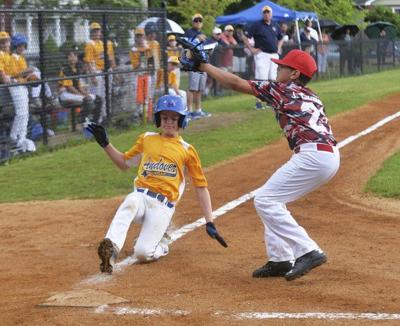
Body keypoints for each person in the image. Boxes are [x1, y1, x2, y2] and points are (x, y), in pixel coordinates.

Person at [180, 41, 340, 281]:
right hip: (326, 155)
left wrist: (204, 66)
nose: (278, 70)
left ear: (294, 74)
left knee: (265, 200)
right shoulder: (312, 96)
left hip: (313, 155)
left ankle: (308, 250)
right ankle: (280, 259)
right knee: (272, 197)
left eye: (282, 67)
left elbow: (235, 83)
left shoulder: (282, 89)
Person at [85, 95, 226, 274]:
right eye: (164, 117)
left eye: (174, 118)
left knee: (143, 253)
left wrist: (210, 222)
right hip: (142, 197)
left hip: (163, 206)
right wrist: (105, 144)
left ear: (182, 121)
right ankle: (110, 250)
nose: (168, 122)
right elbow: (123, 163)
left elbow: (200, 187)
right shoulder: (147, 139)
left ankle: (162, 243)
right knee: (130, 202)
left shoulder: (187, 150)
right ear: (158, 119)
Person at [241, 5, 283, 110]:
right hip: (262, 54)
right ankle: (258, 102)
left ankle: (270, 100)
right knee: (261, 78)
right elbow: (244, 37)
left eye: (268, 12)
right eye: (265, 12)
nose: (266, 14)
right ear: (262, 14)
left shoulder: (275, 25)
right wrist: (251, 49)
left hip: (273, 54)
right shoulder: (257, 25)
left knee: (272, 78)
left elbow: (281, 38)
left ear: (271, 14)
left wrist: (278, 47)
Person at [0, 32, 36, 152]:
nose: (21, 47)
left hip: (22, 85)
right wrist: (26, 72)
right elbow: (12, 75)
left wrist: (29, 74)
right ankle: (15, 137)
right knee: (21, 113)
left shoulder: (17, 57)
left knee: (24, 114)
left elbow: (22, 75)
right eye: (19, 45)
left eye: (23, 45)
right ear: (15, 46)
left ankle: (21, 138)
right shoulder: (11, 57)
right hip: (15, 85)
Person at [58, 46, 102, 123]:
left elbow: (78, 85)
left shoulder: (76, 68)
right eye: (71, 56)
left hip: (75, 93)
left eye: (75, 56)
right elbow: (69, 88)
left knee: (98, 99)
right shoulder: (65, 69)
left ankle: (95, 122)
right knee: (87, 100)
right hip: (66, 94)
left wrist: (85, 93)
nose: (73, 57)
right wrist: (83, 95)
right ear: (67, 58)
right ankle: (81, 117)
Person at [84, 22, 116, 122]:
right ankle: (96, 119)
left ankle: (105, 115)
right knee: (97, 96)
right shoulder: (90, 44)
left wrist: (113, 70)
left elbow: (111, 59)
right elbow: (88, 62)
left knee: (107, 94)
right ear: (91, 32)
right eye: (94, 31)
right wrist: (93, 76)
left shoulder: (103, 43)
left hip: (106, 72)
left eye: (98, 30)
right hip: (96, 72)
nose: (96, 32)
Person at [183, 13, 211, 119]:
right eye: (196, 20)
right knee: (192, 88)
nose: (198, 22)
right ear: (192, 22)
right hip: (193, 64)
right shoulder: (189, 32)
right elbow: (186, 44)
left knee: (199, 89)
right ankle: (189, 111)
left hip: (202, 63)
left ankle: (198, 110)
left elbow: (205, 48)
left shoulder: (203, 34)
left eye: (200, 20)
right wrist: (196, 37)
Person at [130, 27, 152, 118]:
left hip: (147, 74)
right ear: (135, 37)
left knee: (147, 94)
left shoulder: (148, 48)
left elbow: (150, 62)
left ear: (144, 36)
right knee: (137, 95)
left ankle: (146, 115)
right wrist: (141, 58)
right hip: (137, 74)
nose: (139, 38)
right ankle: (137, 114)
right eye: (138, 36)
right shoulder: (133, 49)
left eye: (141, 36)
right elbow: (134, 65)